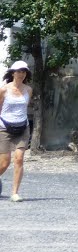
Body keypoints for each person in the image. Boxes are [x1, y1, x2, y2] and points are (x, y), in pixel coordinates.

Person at [0, 60, 33, 202]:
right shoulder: (3, 90)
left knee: (19, 159)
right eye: (19, 71)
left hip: (22, 127)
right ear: (13, 73)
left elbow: (24, 108)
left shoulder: (28, 90)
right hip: (5, 128)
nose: (21, 74)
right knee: (4, 163)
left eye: (24, 71)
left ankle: (15, 193)